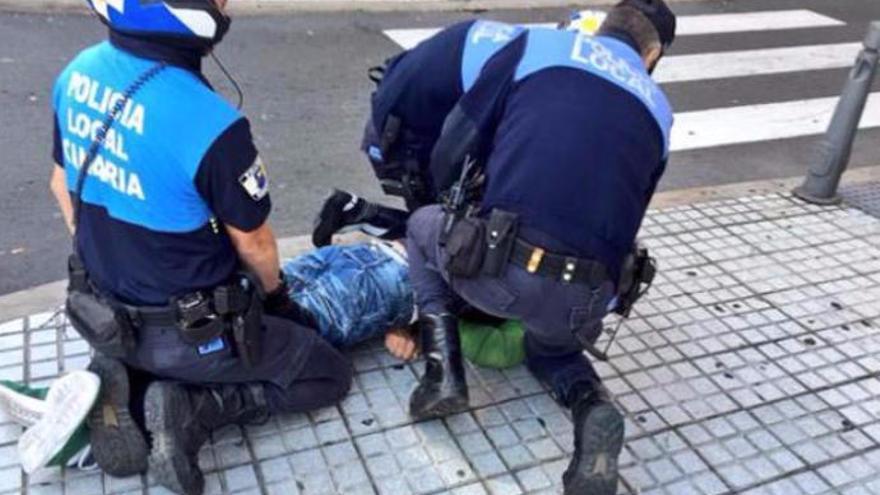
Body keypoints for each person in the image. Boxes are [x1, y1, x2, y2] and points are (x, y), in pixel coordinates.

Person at [49, 1, 351, 493]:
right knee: (326, 374)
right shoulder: (210, 122)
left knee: (160, 335)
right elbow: (253, 241)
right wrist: (277, 300)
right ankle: (194, 407)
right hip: (190, 333)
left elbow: (61, 186)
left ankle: (130, 377)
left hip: (101, 308)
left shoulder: (76, 73)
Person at [403, 1, 676, 494]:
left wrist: (451, 209)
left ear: (603, 26)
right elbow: (631, 214)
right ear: (652, 54)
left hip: (500, 264)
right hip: (587, 296)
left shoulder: (537, 46)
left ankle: (443, 374)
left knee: (421, 227)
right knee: (551, 350)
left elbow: (459, 137)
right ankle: (591, 407)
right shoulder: (659, 109)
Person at [311, 12, 607, 247]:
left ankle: (363, 214)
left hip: (407, 113)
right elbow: (454, 152)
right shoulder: (523, 75)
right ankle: (357, 216)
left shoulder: (525, 47)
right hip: (404, 136)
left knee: (459, 227)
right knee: (449, 241)